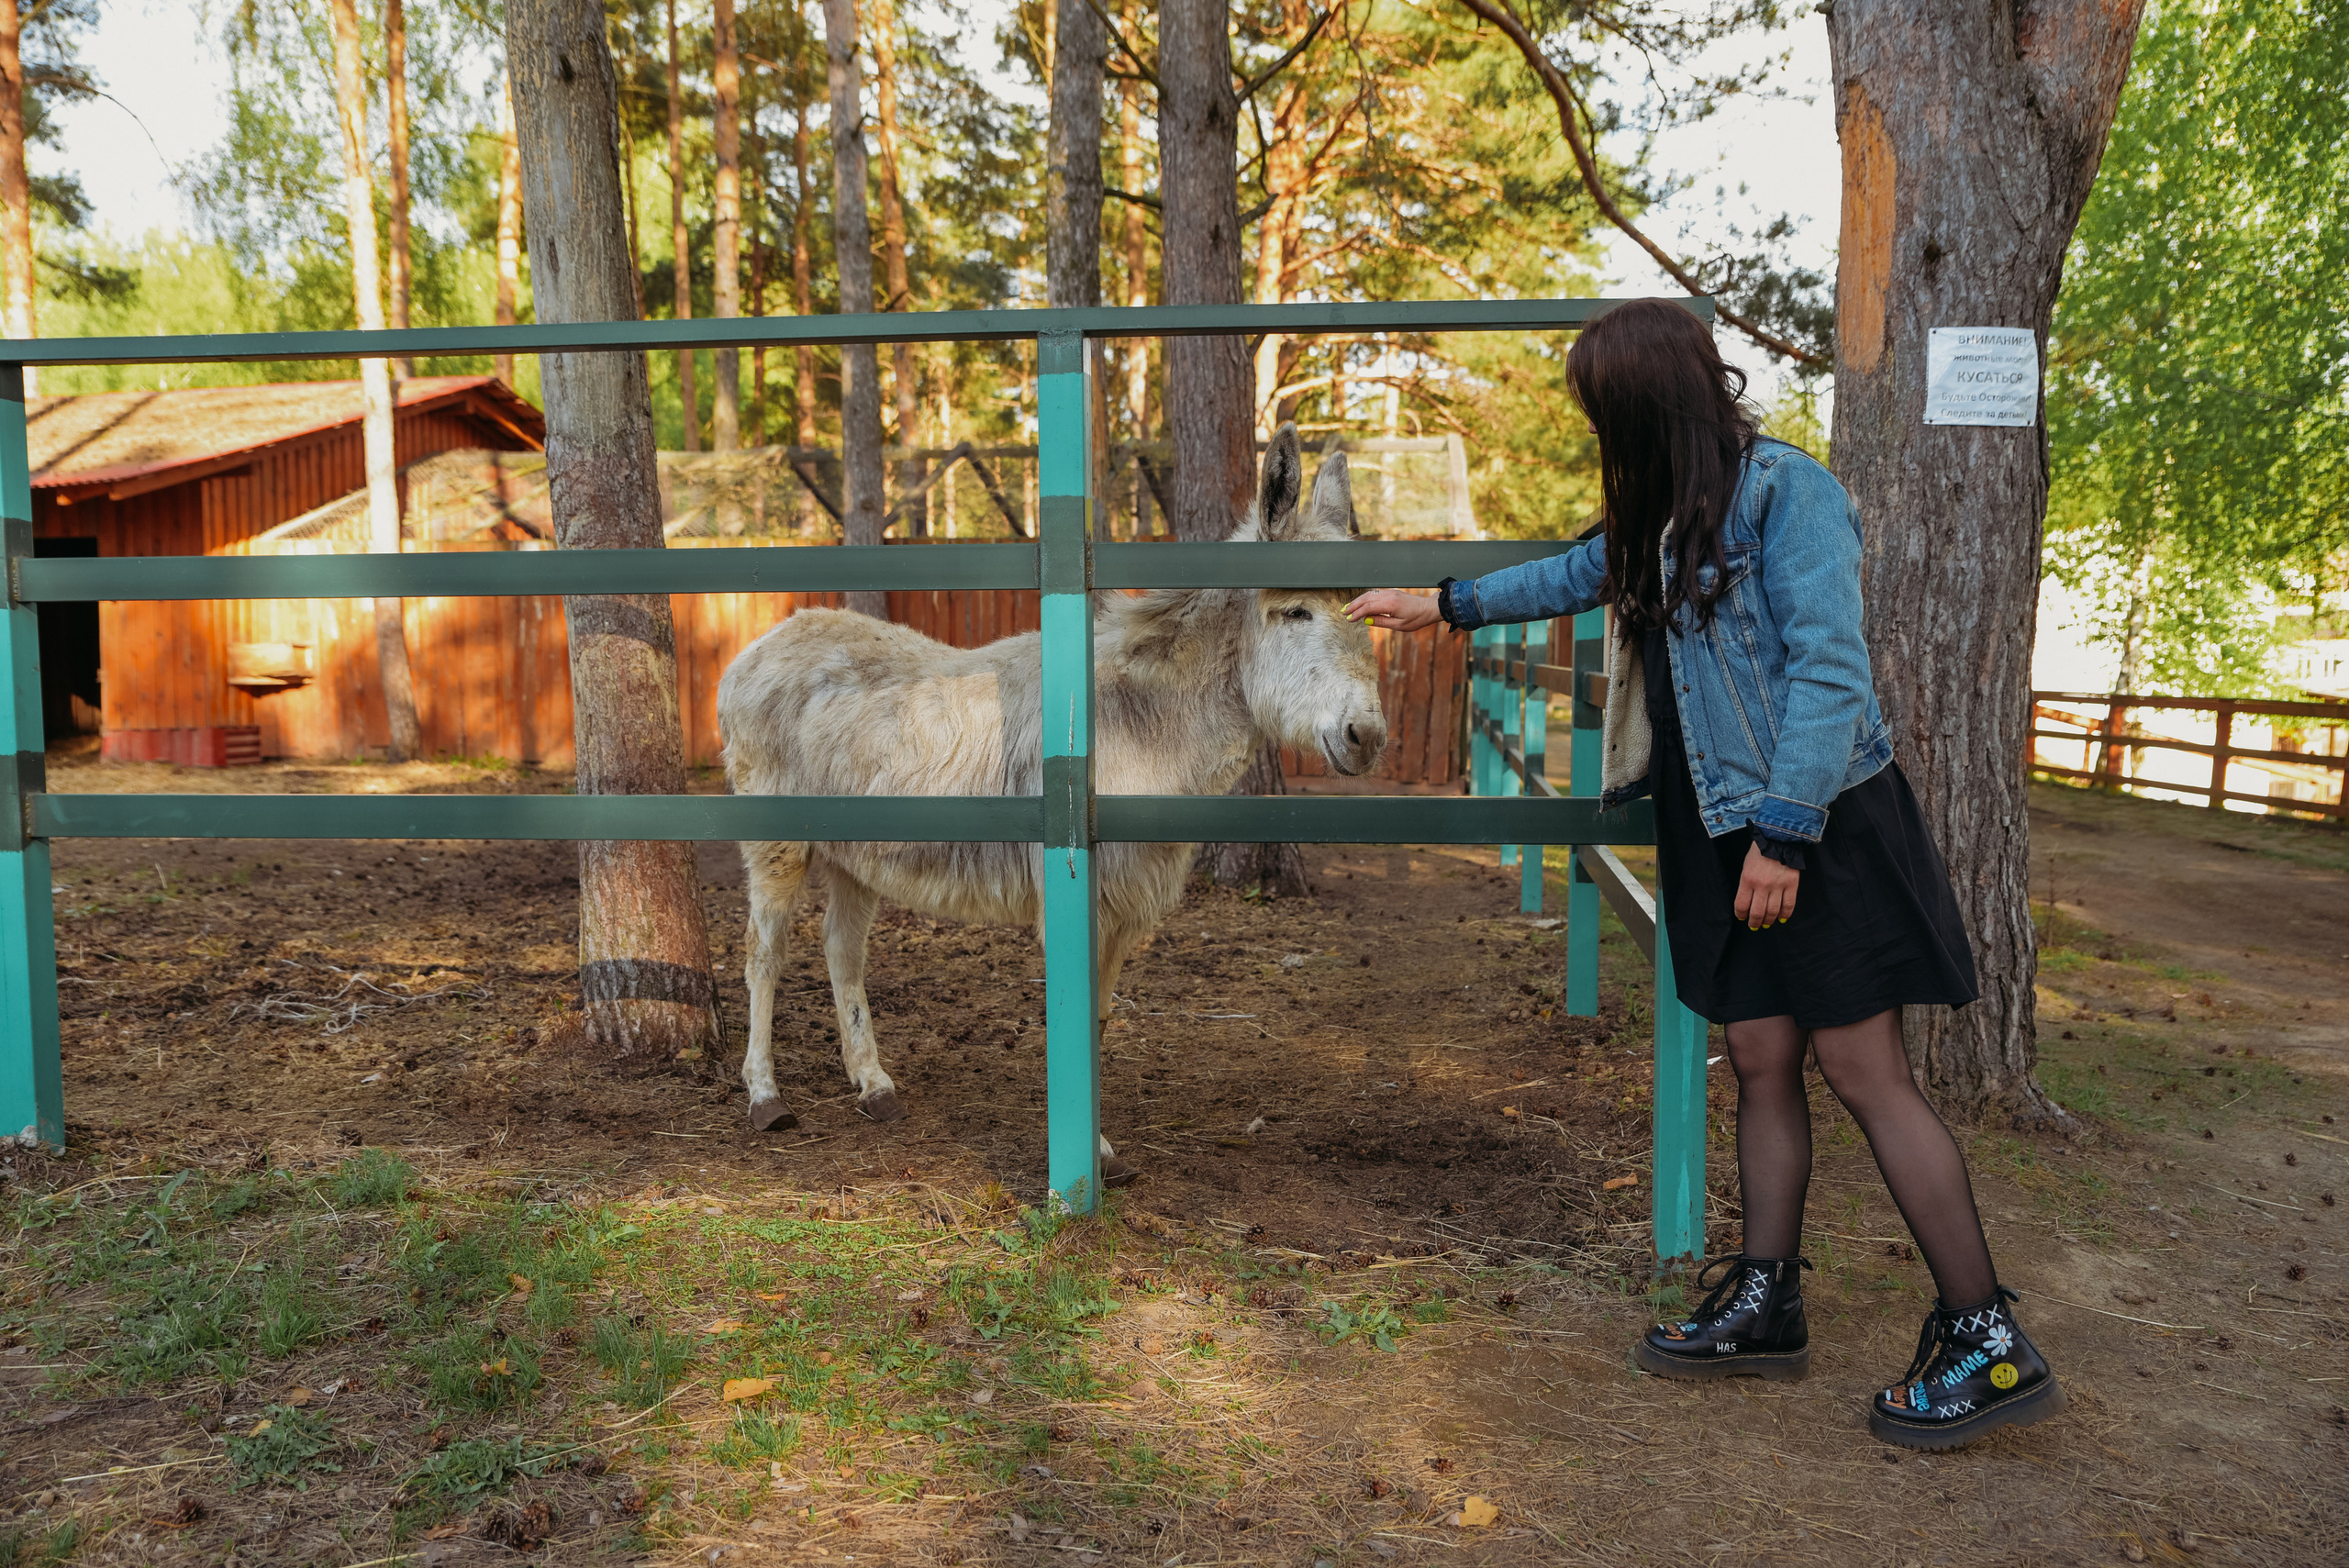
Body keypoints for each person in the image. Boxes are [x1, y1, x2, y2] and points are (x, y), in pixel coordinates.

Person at [1342, 299, 2064, 1451]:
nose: (1596, 430)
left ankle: (1985, 1333)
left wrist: (1782, 836)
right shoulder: (1659, 517)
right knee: (1762, 1055)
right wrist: (1441, 604)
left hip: (1809, 822)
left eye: (1602, 411)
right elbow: (1576, 573)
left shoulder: (1791, 493)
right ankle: (1765, 1300)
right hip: (1715, 827)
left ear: (1644, 404)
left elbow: (1831, 675)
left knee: (1864, 1068)